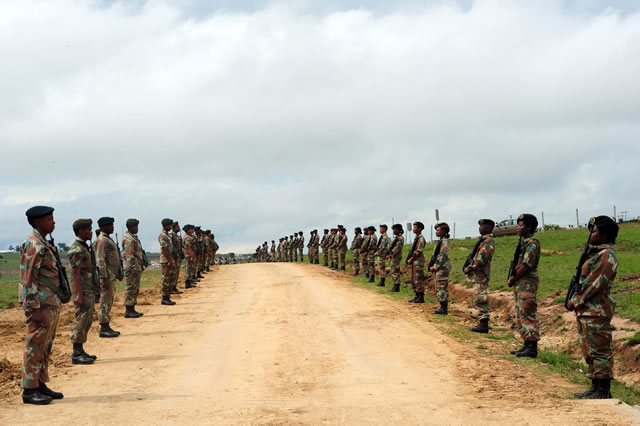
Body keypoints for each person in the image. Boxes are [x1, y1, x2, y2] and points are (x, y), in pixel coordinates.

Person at [568, 216, 619, 399]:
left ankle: (603, 390)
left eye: (595, 231)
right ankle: (595, 387)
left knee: (600, 351)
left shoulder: (606, 255)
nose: (591, 235)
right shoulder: (595, 254)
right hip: (588, 311)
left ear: (605, 235)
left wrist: (576, 299)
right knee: (589, 350)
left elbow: (596, 282)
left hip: (596, 310)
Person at [19, 206, 64, 405]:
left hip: (49, 302)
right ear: (38, 222)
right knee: (34, 346)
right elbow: (28, 279)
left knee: (45, 346)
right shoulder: (33, 243)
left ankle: (39, 383)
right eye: (49, 219)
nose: (53, 222)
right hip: (40, 304)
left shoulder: (44, 242)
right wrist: (33, 307)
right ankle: (29, 390)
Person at [68, 218, 98, 365]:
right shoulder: (77, 249)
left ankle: (81, 349)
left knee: (87, 318)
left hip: (88, 288)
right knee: (81, 319)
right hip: (82, 289)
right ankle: (76, 352)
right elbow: (75, 273)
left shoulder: (84, 246)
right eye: (88, 229)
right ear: (81, 231)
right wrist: (78, 293)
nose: (91, 232)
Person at [464, 219, 496, 333]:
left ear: (488, 228)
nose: (480, 228)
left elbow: (481, 259)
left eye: (482, 226)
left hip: (481, 274)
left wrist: (471, 267)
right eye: (480, 226)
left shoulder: (488, 241)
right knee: (478, 298)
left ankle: (484, 324)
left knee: (481, 298)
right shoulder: (483, 240)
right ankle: (482, 322)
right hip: (478, 274)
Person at [95, 217, 122, 338]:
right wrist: (104, 277)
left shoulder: (106, 238)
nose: (112, 227)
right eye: (110, 225)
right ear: (103, 227)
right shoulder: (102, 240)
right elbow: (100, 260)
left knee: (108, 300)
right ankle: (104, 327)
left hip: (110, 275)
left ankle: (106, 325)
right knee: (105, 301)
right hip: (106, 276)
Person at [121, 218, 146, 317]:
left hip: (135, 267)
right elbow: (129, 255)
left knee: (134, 288)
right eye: (135, 226)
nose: (137, 228)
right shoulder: (129, 239)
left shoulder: (133, 238)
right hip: (131, 268)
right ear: (130, 227)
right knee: (131, 288)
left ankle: (132, 308)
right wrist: (133, 267)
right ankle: (129, 309)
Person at [430, 222, 452, 315]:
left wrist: (435, 266)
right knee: (439, 287)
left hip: (442, 268)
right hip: (440, 267)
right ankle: (442, 307)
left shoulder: (445, 242)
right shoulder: (441, 241)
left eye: (438, 230)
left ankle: (444, 308)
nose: (436, 232)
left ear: (444, 231)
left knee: (442, 287)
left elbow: (442, 256)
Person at [406, 222, 426, 303]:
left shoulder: (421, 239)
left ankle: (421, 297)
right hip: (415, 261)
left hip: (418, 261)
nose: (414, 229)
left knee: (418, 279)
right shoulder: (416, 238)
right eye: (413, 227)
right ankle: (417, 296)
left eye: (415, 227)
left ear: (419, 228)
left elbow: (419, 252)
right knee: (414, 279)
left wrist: (411, 259)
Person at [159, 218, 177, 305]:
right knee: (166, 279)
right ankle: (164, 298)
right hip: (166, 260)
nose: (171, 227)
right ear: (165, 226)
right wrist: (169, 260)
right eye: (170, 225)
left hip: (169, 259)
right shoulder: (163, 235)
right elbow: (164, 249)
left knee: (170, 279)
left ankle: (167, 297)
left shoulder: (167, 235)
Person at [387, 224, 405, 292]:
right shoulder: (396, 237)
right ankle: (395, 285)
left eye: (394, 229)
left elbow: (397, 248)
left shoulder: (400, 238)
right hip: (393, 256)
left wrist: (391, 254)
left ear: (398, 230)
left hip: (396, 256)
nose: (393, 231)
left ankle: (396, 286)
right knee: (393, 271)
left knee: (395, 271)